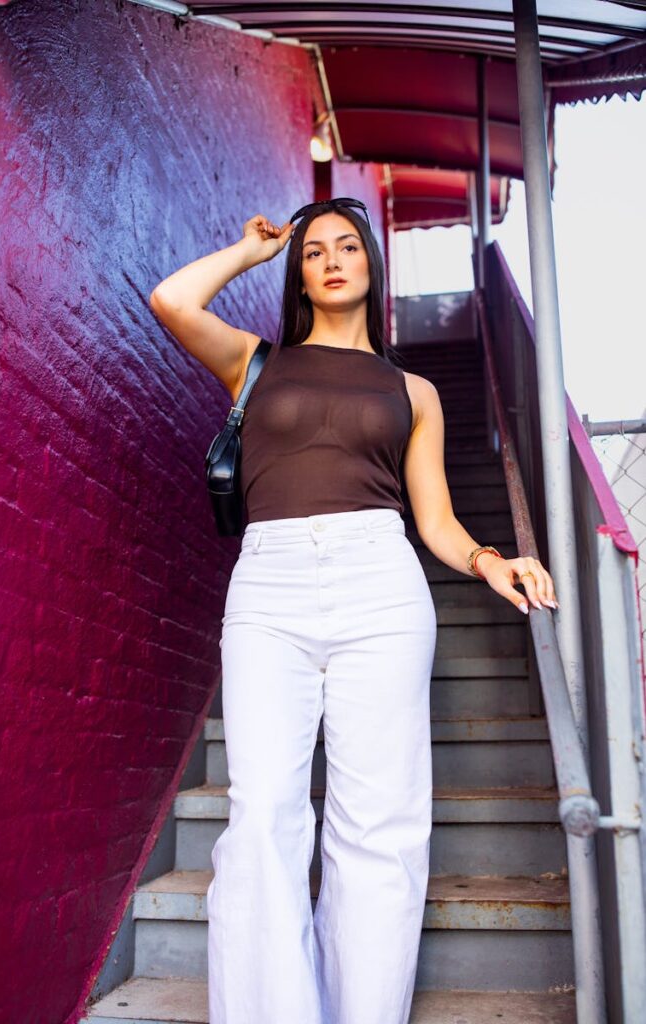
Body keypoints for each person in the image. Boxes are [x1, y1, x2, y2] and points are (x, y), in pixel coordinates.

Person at [148, 197, 559, 1024]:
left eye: (346, 246)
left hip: (381, 582)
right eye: (312, 253)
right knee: (263, 813)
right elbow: (172, 302)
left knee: (379, 823)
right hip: (269, 587)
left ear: (371, 263)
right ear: (299, 274)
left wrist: (489, 559)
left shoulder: (412, 390)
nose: (331, 260)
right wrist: (248, 250)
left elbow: (433, 521)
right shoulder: (255, 362)